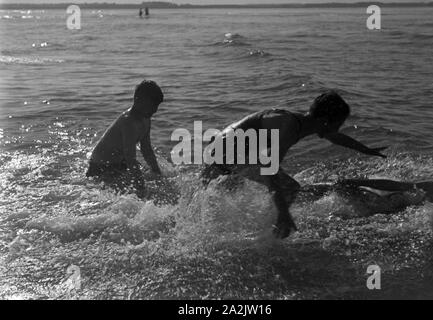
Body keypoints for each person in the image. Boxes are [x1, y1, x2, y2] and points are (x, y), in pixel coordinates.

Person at [202, 91, 387, 238]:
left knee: (221, 199)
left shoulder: (304, 122)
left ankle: (255, 226)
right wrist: (284, 211)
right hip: (225, 154)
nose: (339, 128)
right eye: (339, 123)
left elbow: (335, 137)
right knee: (290, 187)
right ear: (325, 121)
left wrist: (366, 150)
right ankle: (274, 226)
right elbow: (270, 169)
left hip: (220, 152)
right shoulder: (289, 127)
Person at [87, 80, 163, 198]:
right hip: (100, 166)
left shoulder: (146, 120)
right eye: (152, 105)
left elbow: (146, 149)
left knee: (146, 180)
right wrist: (140, 185)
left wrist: (157, 172)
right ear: (138, 100)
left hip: (119, 164)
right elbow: (130, 157)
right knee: (130, 193)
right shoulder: (128, 122)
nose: (155, 110)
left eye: (157, 106)